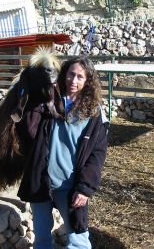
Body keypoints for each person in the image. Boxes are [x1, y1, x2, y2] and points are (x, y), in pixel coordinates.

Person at [17, 56, 109, 249]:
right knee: (41, 240)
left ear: (88, 81)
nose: (73, 81)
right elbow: (27, 130)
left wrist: (85, 187)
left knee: (78, 241)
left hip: (71, 186)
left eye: (80, 77)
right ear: (64, 74)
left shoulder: (93, 112)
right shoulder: (47, 102)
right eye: (70, 74)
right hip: (42, 181)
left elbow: (97, 153)